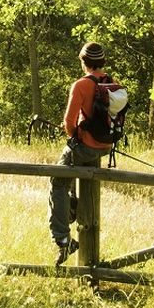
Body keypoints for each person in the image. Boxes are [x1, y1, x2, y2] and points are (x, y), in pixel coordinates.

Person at [49, 40, 115, 266]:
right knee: (75, 181)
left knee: (58, 182)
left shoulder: (81, 85)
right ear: (102, 62)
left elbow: (69, 123)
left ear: (84, 62)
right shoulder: (112, 83)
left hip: (84, 147)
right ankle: (72, 209)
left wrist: (74, 132)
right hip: (104, 147)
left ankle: (63, 239)